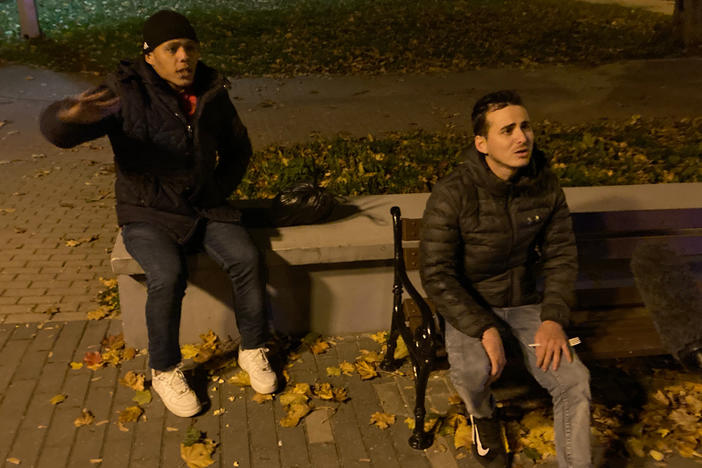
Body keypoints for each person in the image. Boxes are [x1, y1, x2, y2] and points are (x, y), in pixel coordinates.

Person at [40, 10, 277, 417]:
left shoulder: (211, 91)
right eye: (173, 49)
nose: (184, 57)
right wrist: (65, 118)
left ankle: (253, 348)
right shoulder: (124, 92)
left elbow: (239, 148)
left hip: (203, 205)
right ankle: (165, 368)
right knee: (167, 275)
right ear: (150, 56)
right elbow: (62, 132)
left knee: (246, 259)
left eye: (191, 48)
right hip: (147, 211)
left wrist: (216, 189)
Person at [419, 90, 591, 467]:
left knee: (575, 381)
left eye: (525, 126)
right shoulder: (453, 193)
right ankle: (483, 418)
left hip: (528, 304)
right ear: (482, 143)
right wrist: (484, 327)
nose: (521, 137)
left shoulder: (545, 185)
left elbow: (562, 255)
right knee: (472, 373)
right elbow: (436, 273)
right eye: (508, 130)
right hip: (472, 303)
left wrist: (552, 319)